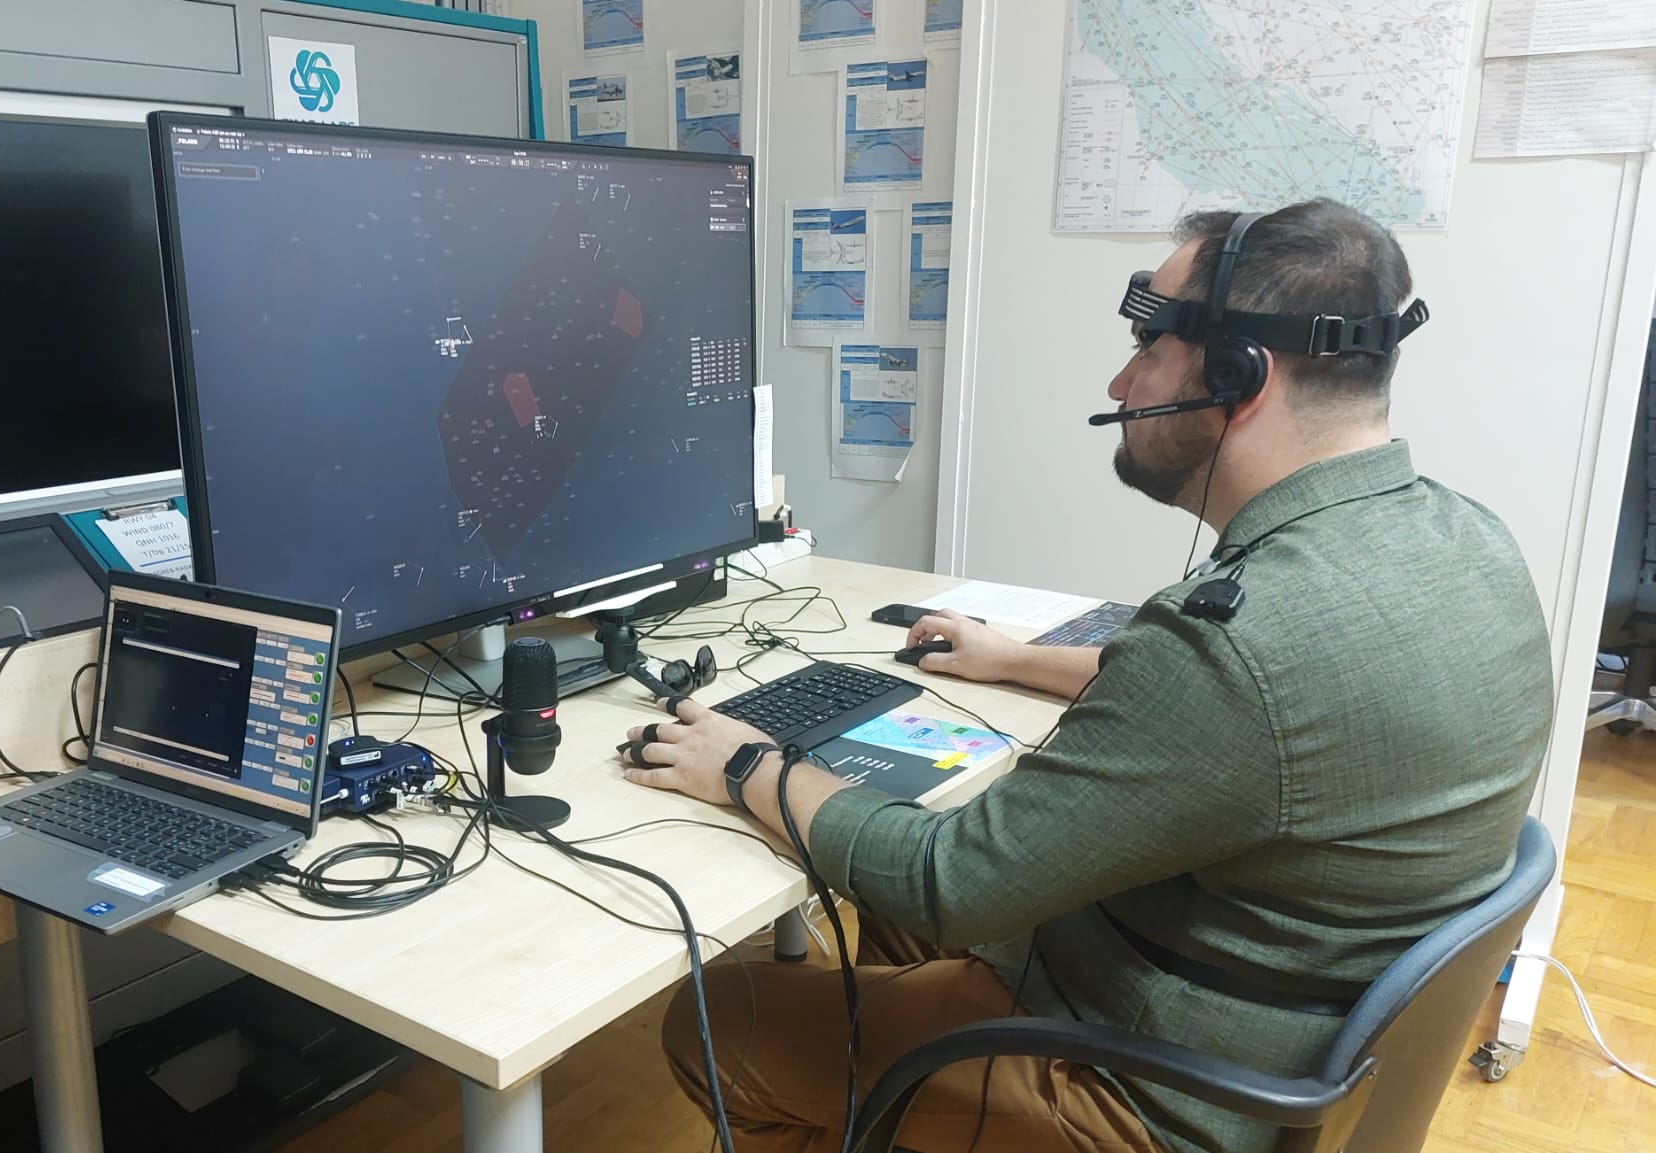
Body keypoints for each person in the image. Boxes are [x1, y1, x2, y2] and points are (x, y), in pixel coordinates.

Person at [616, 199, 1554, 1153]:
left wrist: (746, 764)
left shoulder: (1234, 645)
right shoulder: (1466, 538)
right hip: (1283, 1026)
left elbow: (950, 881)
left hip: (1155, 1089)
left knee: (718, 1016)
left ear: (1238, 375)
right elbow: (1280, 713)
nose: (1120, 379)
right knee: (886, 918)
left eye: (1148, 344)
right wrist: (1015, 658)